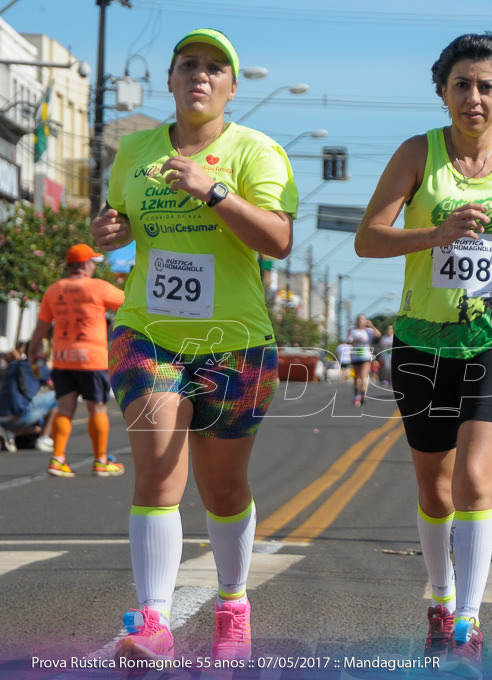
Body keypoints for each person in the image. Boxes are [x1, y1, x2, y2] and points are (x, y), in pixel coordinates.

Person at [353, 32, 492, 675]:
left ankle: (469, 622)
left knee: (476, 476)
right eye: (461, 84)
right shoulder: (416, 154)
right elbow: (369, 239)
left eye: (486, 87)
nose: (472, 97)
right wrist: (435, 232)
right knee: (434, 484)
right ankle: (441, 598)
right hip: (423, 337)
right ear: (442, 91)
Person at [89, 28, 298, 663]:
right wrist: (103, 232)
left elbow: (278, 240)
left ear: (231, 88)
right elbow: (113, 223)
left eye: (214, 69)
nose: (200, 77)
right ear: (172, 81)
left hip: (236, 344)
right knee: (156, 471)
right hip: (148, 334)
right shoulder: (136, 153)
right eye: (188, 66)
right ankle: (153, 616)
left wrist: (212, 190)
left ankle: (233, 603)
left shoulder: (257, 152)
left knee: (224, 488)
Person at [26, 244, 125, 475]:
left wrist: (32, 351)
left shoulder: (54, 289)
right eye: (92, 262)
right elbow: (130, 303)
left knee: (65, 409)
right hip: (92, 359)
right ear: (85, 264)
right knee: (98, 408)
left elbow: (41, 327)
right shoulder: (98, 288)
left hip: (63, 358)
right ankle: (101, 460)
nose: (93, 266)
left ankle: (57, 459)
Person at [0, 344, 58, 453]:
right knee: (57, 397)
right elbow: (52, 385)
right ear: (41, 353)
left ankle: (9, 432)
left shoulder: (13, 365)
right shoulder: (38, 365)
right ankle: (44, 438)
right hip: (19, 416)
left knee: (37, 413)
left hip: (2, 415)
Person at [347, 314, 381, 405]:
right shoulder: (353, 331)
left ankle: (363, 395)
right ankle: (355, 395)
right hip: (355, 356)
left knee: (363, 376)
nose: (360, 321)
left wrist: (371, 325)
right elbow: (349, 341)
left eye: (362, 320)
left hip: (365, 356)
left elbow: (378, 334)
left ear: (365, 321)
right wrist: (356, 340)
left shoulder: (369, 331)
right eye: (359, 319)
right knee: (356, 377)